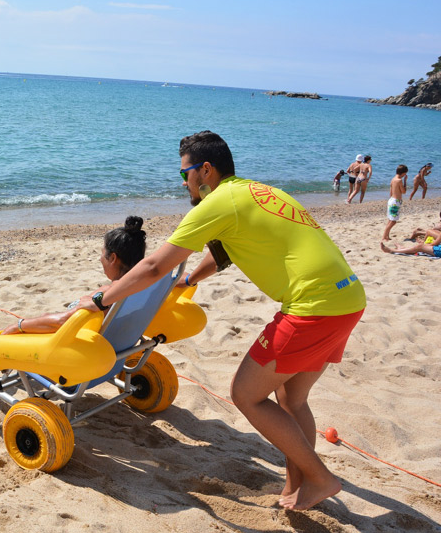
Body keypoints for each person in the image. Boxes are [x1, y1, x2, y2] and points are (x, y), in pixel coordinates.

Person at [79, 131, 366, 511]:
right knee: (291, 398)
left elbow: (151, 266)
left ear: (206, 170)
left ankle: (321, 478)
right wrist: (189, 279)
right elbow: (225, 253)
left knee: (246, 394)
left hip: (313, 306)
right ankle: (297, 486)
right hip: (348, 298)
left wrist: (101, 299)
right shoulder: (255, 192)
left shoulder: (216, 203)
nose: (183, 182)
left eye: (185, 174)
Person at [0, 216, 147, 347]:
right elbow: (169, 278)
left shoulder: (108, 295)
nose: (100, 259)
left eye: (102, 254)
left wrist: (19, 325)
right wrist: (182, 279)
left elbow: (61, 322)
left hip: (60, 343)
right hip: (108, 344)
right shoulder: (144, 287)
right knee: (24, 325)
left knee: (13, 333)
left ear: (113, 258)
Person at [382, 165, 408, 241]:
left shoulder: (393, 179)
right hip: (395, 202)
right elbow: (403, 191)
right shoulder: (399, 180)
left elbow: (391, 191)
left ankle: (387, 236)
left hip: (391, 200)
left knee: (390, 220)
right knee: (393, 222)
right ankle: (384, 236)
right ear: (403, 173)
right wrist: (405, 182)